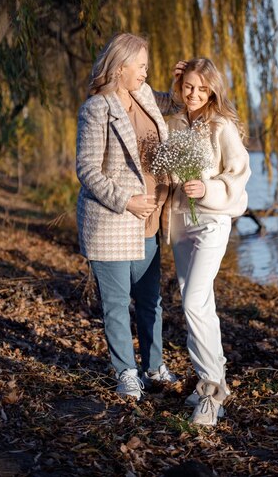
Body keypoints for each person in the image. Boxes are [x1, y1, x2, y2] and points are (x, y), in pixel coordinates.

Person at [76, 33, 177, 400]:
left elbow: (173, 102)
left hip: (149, 219)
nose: (146, 73)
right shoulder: (96, 108)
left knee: (151, 301)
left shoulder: (144, 94)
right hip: (112, 221)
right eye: (142, 66)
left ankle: (154, 366)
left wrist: (182, 81)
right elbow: (87, 169)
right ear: (121, 67)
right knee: (117, 304)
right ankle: (126, 372)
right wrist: (126, 201)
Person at [167, 57, 251, 425]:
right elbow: (143, 97)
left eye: (202, 88)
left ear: (214, 89)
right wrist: (174, 78)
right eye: (188, 86)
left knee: (193, 302)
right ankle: (215, 384)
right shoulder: (175, 118)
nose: (194, 94)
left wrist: (208, 189)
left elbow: (239, 175)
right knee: (201, 302)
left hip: (212, 222)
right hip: (181, 223)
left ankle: (211, 391)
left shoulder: (222, 126)